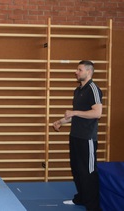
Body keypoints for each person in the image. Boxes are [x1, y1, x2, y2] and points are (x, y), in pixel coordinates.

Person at [52, 60, 102, 211]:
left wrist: (74, 112)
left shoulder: (93, 89)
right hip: (75, 136)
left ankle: (93, 207)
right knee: (77, 170)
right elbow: (78, 115)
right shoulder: (78, 90)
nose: (76, 72)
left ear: (88, 72)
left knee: (88, 173)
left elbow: (97, 113)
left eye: (79, 70)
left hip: (87, 138)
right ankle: (81, 198)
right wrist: (61, 121)